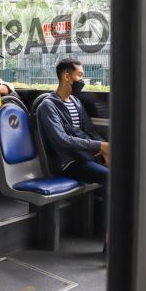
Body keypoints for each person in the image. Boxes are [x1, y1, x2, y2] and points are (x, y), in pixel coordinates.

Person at [36, 58, 109, 251]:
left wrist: (104, 149)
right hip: (69, 162)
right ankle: (111, 238)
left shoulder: (76, 102)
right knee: (111, 178)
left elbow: (90, 130)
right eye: (80, 75)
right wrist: (98, 145)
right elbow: (62, 140)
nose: (82, 80)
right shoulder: (48, 106)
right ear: (67, 77)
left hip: (85, 157)